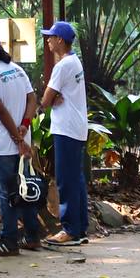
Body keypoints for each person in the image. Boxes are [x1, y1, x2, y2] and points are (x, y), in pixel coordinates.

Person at [0, 26, 41, 256]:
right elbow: (32, 99)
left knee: (6, 193)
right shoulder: (16, 69)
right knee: (25, 189)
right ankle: (32, 236)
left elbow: (1, 111)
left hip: (3, 145)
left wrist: (16, 137)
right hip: (22, 140)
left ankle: (9, 240)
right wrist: (25, 126)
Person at [39, 20, 89, 246]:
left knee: (65, 180)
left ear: (60, 40)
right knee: (75, 178)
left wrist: (46, 101)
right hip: (76, 127)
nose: (48, 40)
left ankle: (69, 229)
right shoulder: (75, 62)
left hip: (66, 128)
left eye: (51, 36)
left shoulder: (62, 66)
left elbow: (46, 98)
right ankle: (80, 226)